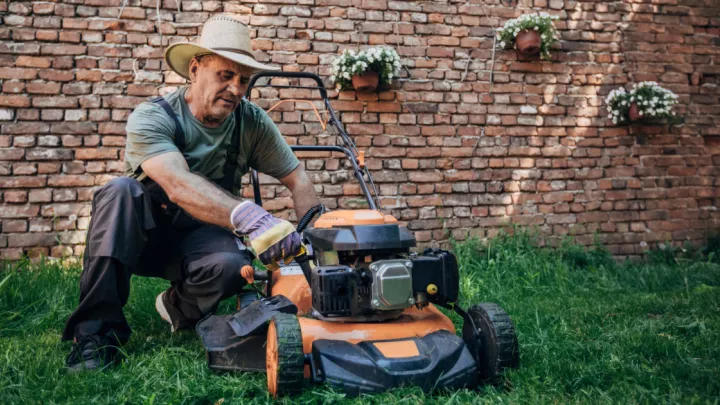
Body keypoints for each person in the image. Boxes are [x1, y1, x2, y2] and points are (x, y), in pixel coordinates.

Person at [62, 15, 320, 371]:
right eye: (225, 76)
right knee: (119, 192)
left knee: (234, 266)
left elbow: (298, 179)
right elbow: (178, 184)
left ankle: (177, 307)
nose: (237, 89)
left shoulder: (251, 122)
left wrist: (314, 245)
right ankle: (94, 335)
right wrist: (251, 218)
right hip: (138, 238)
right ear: (195, 68)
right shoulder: (153, 116)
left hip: (202, 237)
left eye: (244, 80)